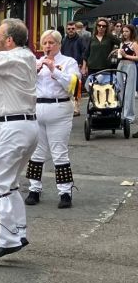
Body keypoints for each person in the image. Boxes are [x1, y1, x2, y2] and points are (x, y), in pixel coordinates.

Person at [0, 18, 39, 260]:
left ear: (9, 40)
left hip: (11, 127)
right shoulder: (22, 56)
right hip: (23, 125)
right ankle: (18, 231)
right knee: (9, 183)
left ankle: (8, 237)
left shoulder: (13, 57)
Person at [25, 30, 80, 209]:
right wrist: (35, 71)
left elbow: (73, 85)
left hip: (60, 108)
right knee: (36, 152)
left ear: (59, 44)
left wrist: (53, 70)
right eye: (45, 43)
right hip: (38, 107)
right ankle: (34, 189)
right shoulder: (35, 61)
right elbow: (25, 85)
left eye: (51, 43)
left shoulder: (68, 62)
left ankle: (65, 192)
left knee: (59, 151)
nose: (48, 46)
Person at [117, 24, 138, 127]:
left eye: (127, 31)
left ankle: (129, 115)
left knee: (129, 91)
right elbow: (120, 56)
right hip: (121, 65)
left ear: (131, 32)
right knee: (120, 90)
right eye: (123, 31)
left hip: (130, 66)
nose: (124, 33)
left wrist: (126, 56)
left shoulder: (134, 44)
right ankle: (121, 114)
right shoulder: (122, 43)